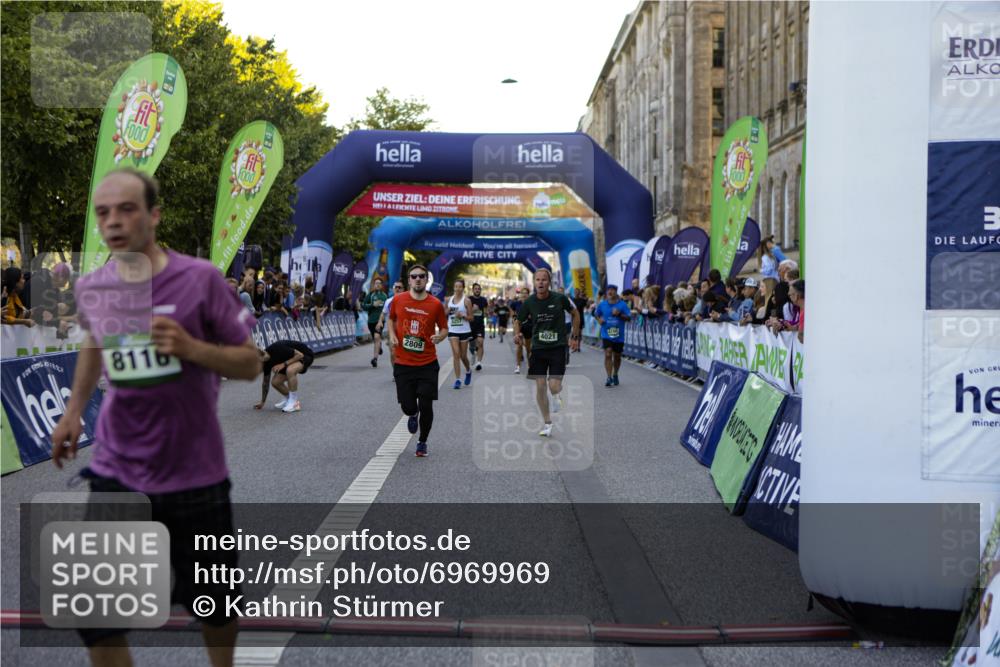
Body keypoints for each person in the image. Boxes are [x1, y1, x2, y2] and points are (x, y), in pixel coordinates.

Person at [50, 169, 260, 667]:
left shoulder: (200, 279)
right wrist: (73, 412)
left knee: (214, 605)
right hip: (118, 470)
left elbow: (250, 363)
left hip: (195, 474)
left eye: (127, 209)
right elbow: (93, 345)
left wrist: (191, 348)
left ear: (154, 215)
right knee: (96, 614)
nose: (114, 222)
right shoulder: (96, 287)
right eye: (104, 213)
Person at [387, 265, 448, 457]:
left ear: (426, 280)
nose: (418, 279)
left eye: (422, 276)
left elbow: (444, 328)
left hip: (427, 363)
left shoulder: (435, 304)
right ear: (409, 280)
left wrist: (440, 337)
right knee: (408, 406)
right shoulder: (398, 299)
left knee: (426, 404)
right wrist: (392, 335)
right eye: (414, 276)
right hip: (403, 363)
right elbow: (391, 319)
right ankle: (412, 414)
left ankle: (422, 441)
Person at [514, 269, 580, 438]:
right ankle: (547, 423)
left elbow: (575, 312)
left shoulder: (560, 298)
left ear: (549, 282)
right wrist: (517, 333)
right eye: (538, 280)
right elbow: (518, 320)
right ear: (534, 282)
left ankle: (557, 394)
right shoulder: (529, 302)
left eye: (544, 280)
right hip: (538, 348)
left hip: (557, 347)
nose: (541, 282)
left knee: (554, 386)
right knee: (541, 386)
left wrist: (575, 335)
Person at [253, 339, 313, 412]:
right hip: (290, 360)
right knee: (275, 382)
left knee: (290, 370)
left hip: (305, 355)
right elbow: (265, 382)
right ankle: (289, 399)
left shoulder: (278, 348)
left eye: (263, 357)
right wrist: (262, 402)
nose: (264, 360)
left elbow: (300, 355)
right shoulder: (265, 363)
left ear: (264, 351)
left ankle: (294, 403)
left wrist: (283, 364)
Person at [594, 284, 632, 386]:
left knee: (617, 356)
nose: (610, 292)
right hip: (606, 334)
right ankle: (609, 377)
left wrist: (619, 314)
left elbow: (629, 318)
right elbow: (596, 314)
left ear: (616, 292)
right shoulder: (602, 304)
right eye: (608, 290)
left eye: (612, 290)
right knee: (608, 353)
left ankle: (615, 374)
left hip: (619, 336)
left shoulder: (622, 305)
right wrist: (599, 320)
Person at [445, 278, 474, 389]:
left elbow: (471, 318)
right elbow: (444, 313)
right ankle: (457, 380)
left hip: (464, 331)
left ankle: (468, 370)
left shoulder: (466, 301)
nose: (457, 289)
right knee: (456, 354)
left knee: (463, 356)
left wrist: (463, 315)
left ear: (463, 288)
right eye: (456, 286)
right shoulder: (449, 300)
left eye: (460, 287)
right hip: (452, 330)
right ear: (454, 287)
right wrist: (447, 311)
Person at [376, 280, 405, 371]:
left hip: (404, 329)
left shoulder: (407, 301)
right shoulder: (388, 301)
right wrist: (380, 321)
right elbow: (383, 313)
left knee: (404, 352)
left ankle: (404, 371)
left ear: (403, 289)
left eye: (399, 287)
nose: (397, 289)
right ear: (393, 289)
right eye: (396, 287)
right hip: (392, 329)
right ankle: (395, 372)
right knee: (393, 352)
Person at [361, 277, 389, 368]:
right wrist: (372, 305)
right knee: (376, 339)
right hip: (371, 321)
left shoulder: (384, 296)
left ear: (381, 285)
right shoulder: (370, 295)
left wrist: (383, 319)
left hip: (380, 321)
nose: (377, 285)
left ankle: (375, 359)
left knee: (377, 337)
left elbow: (387, 309)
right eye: (376, 283)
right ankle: (379, 345)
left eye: (379, 283)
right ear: (374, 285)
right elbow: (363, 306)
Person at [468, 282, 488, 371]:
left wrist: (487, 315)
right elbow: (466, 313)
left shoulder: (483, 300)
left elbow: (486, 311)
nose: (477, 290)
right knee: (471, 346)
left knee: (480, 343)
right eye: (475, 289)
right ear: (473, 290)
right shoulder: (468, 300)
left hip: (480, 325)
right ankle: (473, 354)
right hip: (470, 326)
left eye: (479, 289)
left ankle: (479, 363)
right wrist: (473, 309)